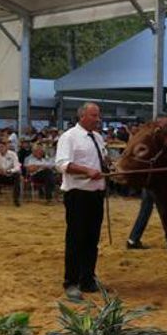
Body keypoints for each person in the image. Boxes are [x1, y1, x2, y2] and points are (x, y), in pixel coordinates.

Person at [55, 102, 109, 301]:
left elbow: (102, 161)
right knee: (76, 239)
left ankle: (87, 278)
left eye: (98, 115)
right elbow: (62, 164)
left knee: (92, 239)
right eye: (94, 115)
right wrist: (87, 171)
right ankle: (71, 282)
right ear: (82, 116)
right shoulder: (69, 137)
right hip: (78, 194)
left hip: (96, 194)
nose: (98, 119)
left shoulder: (98, 137)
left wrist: (108, 167)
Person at [0, 140, 22, 206]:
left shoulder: (13, 154)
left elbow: (17, 167)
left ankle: (16, 199)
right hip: (0, 175)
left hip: (10, 175)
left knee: (17, 175)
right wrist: (0, 171)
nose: (0, 149)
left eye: (2, 147)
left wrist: (9, 171)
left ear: (6, 147)